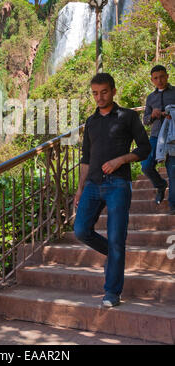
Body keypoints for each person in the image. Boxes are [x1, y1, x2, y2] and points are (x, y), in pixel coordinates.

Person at [73, 73, 151, 308]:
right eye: (95, 93)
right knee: (80, 230)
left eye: (104, 92)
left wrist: (121, 160)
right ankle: (116, 255)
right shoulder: (91, 121)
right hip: (93, 185)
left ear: (114, 91)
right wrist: (79, 189)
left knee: (117, 238)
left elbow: (145, 148)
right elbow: (86, 158)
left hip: (118, 184)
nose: (99, 97)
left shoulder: (128, 116)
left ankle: (112, 292)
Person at [142, 65, 175, 214]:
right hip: (156, 136)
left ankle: (173, 205)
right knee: (146, 165)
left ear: (167, 76)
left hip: (172, 138)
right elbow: (145, 120)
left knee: (172, 171)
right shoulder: (150, 97)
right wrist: (153, 116)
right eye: (156, 78)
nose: (159, 80)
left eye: (162, 76)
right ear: (152, 80)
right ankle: (160, 185)